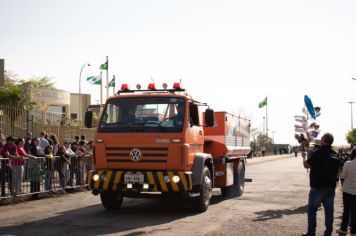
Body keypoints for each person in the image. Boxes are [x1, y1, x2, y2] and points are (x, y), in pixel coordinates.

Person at [302, 133, 343, 236]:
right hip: (331, 187)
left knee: (312, 211)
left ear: (324, 140)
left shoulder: (318, 152)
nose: (320, 140)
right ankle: (328, 232)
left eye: (321, 138)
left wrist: (304, 157)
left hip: (317, 187)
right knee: (329, 212)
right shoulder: (335, 153)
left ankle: (311, 232)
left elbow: (306, 165)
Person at [336, 149, 356, 235]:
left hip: (347, 190)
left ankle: (343, 228)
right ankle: (354, 230)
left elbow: (343, 175)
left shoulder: (348, 163)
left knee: (346, 210)